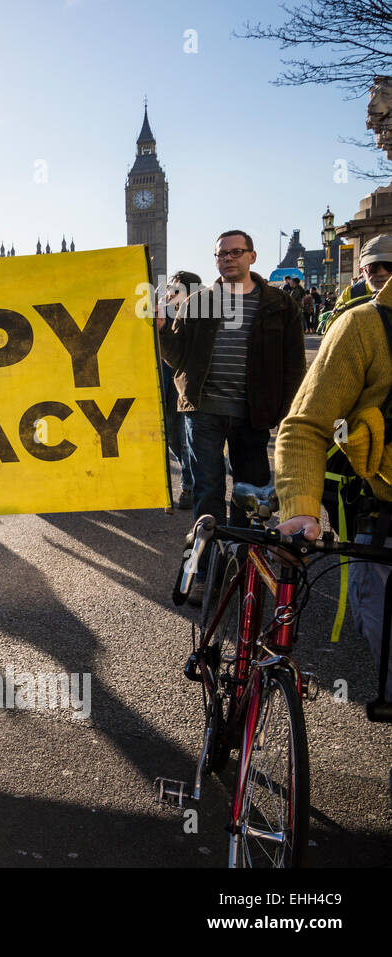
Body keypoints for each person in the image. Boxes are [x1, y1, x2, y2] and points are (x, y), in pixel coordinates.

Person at [158, 229, 306, 604]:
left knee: (247, 493)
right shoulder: (198, 301)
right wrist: (160, 329)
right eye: (221, 254)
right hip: (203, 410)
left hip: (252, 413)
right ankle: (204, 574)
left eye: (236, 252)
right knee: (208, 493)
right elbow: (176, 356)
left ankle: (241, 567)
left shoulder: (279, 305)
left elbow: (293, 365)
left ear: (252, 257)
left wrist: (289, 414)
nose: (228, 258)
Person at [275, 235, 392, 698]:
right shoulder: (363, 326)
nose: (381, 272)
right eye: (376, 264)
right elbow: (305, 427)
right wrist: (301, 509)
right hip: (383, 523)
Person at [159, 271, 199, 508]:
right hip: (162, 379)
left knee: (184, 437)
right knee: (172, 435)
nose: (170, 293)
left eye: (177, 289)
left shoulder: (195, 316)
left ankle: (189, 487)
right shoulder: (159, 312)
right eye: (170, 289)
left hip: (182, 380)